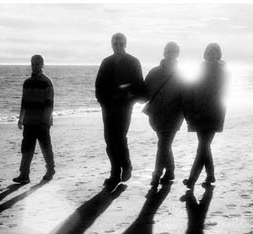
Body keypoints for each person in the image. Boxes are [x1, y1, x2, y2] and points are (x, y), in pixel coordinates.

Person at [95, 33, 147, 187]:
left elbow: (139, 86)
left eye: (121, 42)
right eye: (115, 42)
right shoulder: (106, 62)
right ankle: (115, 173)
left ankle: (126, 166)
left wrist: (128, 98)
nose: (118, 44)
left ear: (125, 43)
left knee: (119, 138)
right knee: (109, 141)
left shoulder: (133, 62)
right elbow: (99, 86)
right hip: (108, 107)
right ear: (112, 44)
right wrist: (103, 101)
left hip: (124, 108)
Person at [184, 43, 226, 188]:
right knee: (204, 146)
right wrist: (191, 112)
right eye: (208, 52)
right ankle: (210, 176)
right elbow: (192, 90)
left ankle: (192, 179)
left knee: (202, 146)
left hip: (213, 115)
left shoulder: (221, 72)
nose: (210, 55)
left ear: (218, 54)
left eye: (213, 53)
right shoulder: (199, 69)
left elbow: (219, 95)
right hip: (198, 114)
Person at [143, 42, 185, 187]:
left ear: (177, 54)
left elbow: (187, 96)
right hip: (156, 116)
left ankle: (157, 174)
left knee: (163, 144)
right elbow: (144, 92)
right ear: (164, 52)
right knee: (165, 145)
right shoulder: (154, 72)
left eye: (173, 51)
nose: (170, 53)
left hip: (174, 116)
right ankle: (170, 172)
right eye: (168, 50)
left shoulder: (181, 74)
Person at [14, 54, 55, 184]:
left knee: (45, 147)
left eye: (37, 64)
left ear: (42, 65)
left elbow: (49, 104)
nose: (34, 66)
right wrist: (20, 119)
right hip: (29, 121)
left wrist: (45, 121)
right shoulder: (27, 82)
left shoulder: (47, 82)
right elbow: (24, 102)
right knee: (26, 148)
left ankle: (50, 170)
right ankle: (24, 174)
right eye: (33, 64)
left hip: (42, 123)